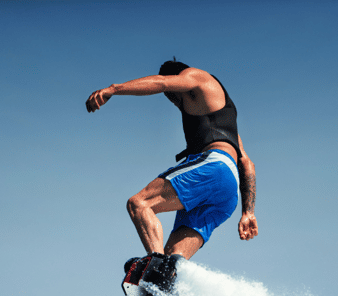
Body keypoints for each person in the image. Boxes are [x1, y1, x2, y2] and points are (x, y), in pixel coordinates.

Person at [86, 59, 258, 262]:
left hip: (212, 168)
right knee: (173, 259)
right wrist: (248, 212)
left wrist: (113, 89)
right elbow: (246, 163)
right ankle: (165, 285)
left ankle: (155, 266)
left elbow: (162, 82)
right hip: (227, 190)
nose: (173, 102)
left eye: (171, 96)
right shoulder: (223, 118)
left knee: (140, 204)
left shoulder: (196, 76)